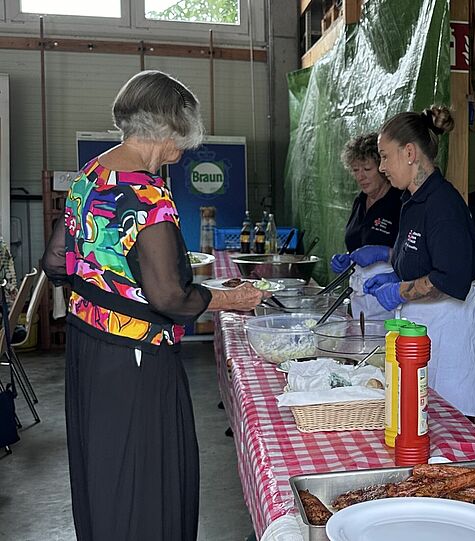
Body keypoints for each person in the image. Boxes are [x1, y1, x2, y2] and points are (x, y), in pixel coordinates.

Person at [41, 70, 265, 541]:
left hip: (87, 349)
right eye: (180, 139)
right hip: (135, 358)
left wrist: (104, 280)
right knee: (146, 478)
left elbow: (55, 261)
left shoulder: (90, 175)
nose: (180, 152)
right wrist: (233, 298)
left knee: (105, 471)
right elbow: (169, 297)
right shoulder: (147, 194)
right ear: (166, 130)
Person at [344, 105, 475, 418]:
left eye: (385, 156)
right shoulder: (411, 199)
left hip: (449, 328)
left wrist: (399, 291)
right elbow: (420, 252)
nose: (382, 166)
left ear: (409, 152)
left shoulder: (442, 205)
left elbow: (447, 279)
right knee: (420, 418)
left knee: (448, 422)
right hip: (423, 326)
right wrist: (391, 262)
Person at [328, 133, 403, 320]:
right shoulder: (360, 201)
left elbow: (414, 252)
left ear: (382, 167)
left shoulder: (399, 201)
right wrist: (347, 260)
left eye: (367, 169)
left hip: (389, 296)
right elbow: (357, 240)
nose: (361, 176)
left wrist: (384, 252)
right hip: (360, 295)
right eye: (355, 170)